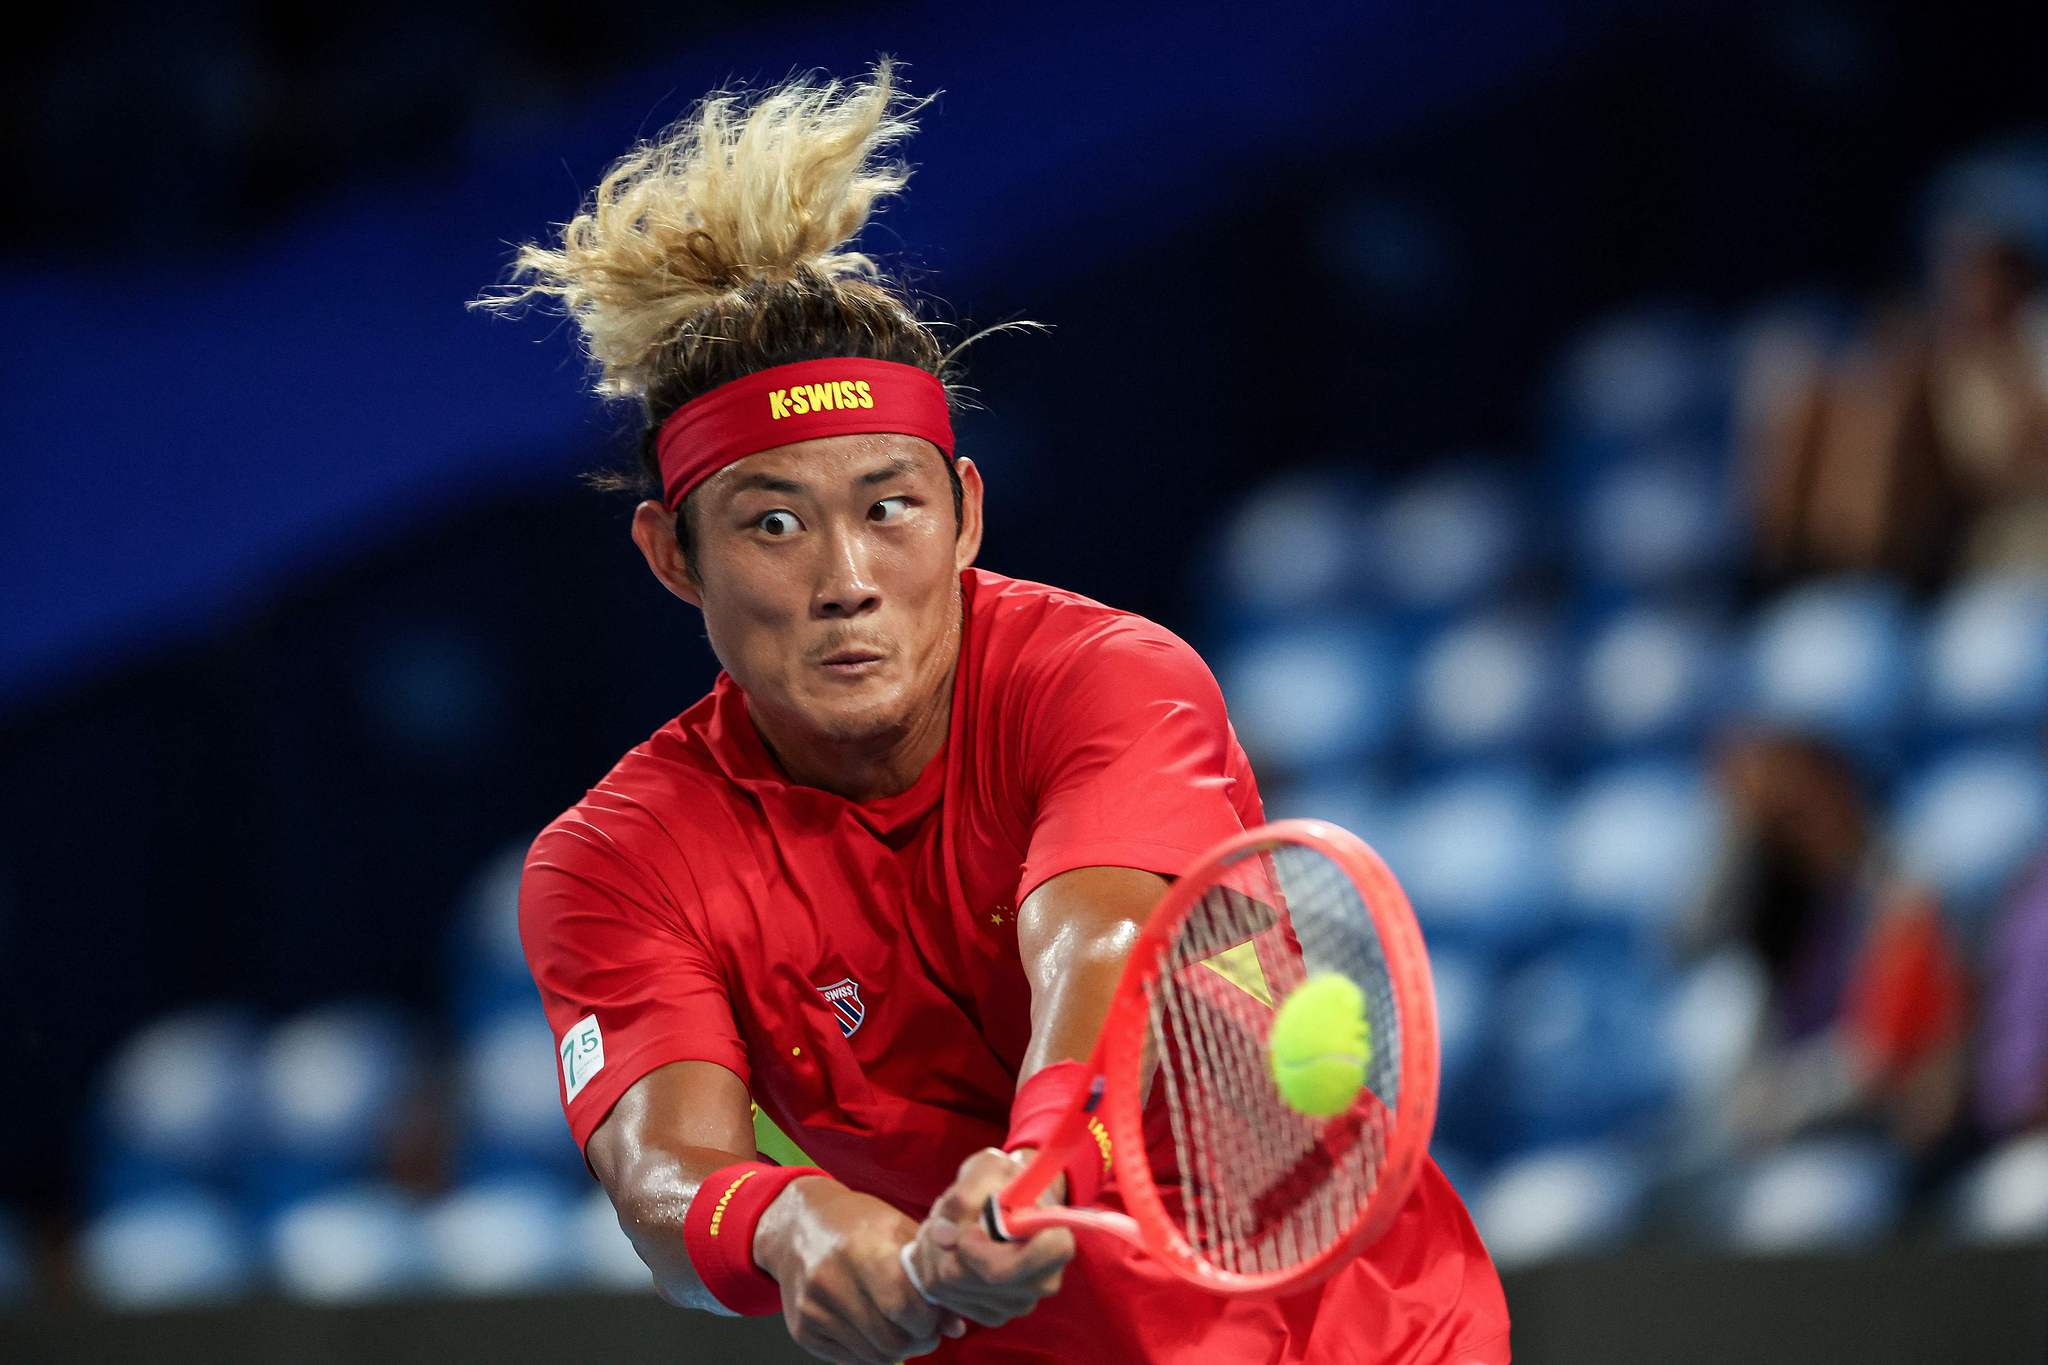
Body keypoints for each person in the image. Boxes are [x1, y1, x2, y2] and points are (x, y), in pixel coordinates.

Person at [477, 64, 1508, 1364]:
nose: (846, 579)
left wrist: (1032, 1157)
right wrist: (795, 1226)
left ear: (965, 513)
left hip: (1370, 1337)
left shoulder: (1106, 677)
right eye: (774, 523)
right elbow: (659, 1163)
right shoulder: (616, 861)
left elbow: (1101, 939)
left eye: (889, 507)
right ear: (671, 555)